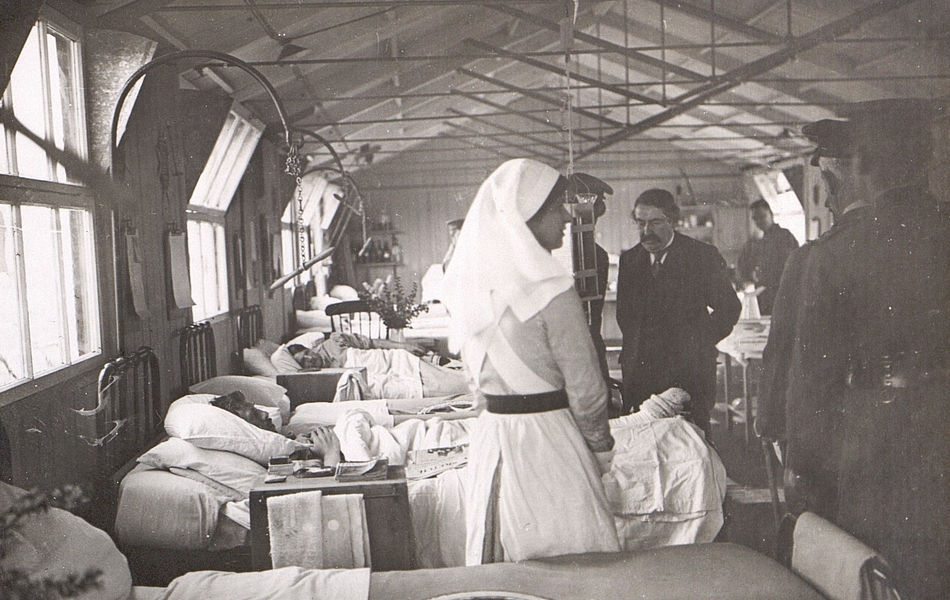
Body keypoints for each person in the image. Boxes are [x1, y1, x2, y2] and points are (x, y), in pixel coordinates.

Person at [787, 98, 948, 600]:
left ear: (862, 168)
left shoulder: (837, 253)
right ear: (926, 162)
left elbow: (812, 377)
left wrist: (803, 465)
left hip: (874, 444)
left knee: (879, 572)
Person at [442, 158, 621, 565]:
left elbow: (476, 384)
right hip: (548, 440)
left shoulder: (474, 287)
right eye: (558, 206)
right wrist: (600, 452)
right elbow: (588, 391)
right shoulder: (553, 290)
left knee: (501, 558)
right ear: (527, 214)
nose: (566, 216)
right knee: (571, 562)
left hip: (492, 441)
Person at [755, 116, 871, 519]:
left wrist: (769, 423)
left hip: (830, 438)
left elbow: (783, 351)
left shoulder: (811, 259)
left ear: (836, 189)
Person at [615, 188, 740, 435]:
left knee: (691, 446)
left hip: (689, 374)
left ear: (672, 221)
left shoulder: (701, 256)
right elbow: (625, 315)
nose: (646, 231)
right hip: (641, 376)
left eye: (655, 222)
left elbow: (729, 308)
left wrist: (697, 343)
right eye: (640, 223)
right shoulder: (630, 260)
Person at [271, 331, 471, 398]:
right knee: (446, 386)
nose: (308, 360)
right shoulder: (319, 378)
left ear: (310, 349)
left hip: (398, 362)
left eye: (306, 354)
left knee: (453, 379)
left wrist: (402, 345)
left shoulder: (334, 342)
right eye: (303, 363)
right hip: (390, 377)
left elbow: (373, 343)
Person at [747, 199, 799, 315]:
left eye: (762, 216)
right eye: (755, 218)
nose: (759, 221)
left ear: (771, 214)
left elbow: (791, 268)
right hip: (764, 294)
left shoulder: (784, 237)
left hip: (780, 294)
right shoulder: (761, 240)